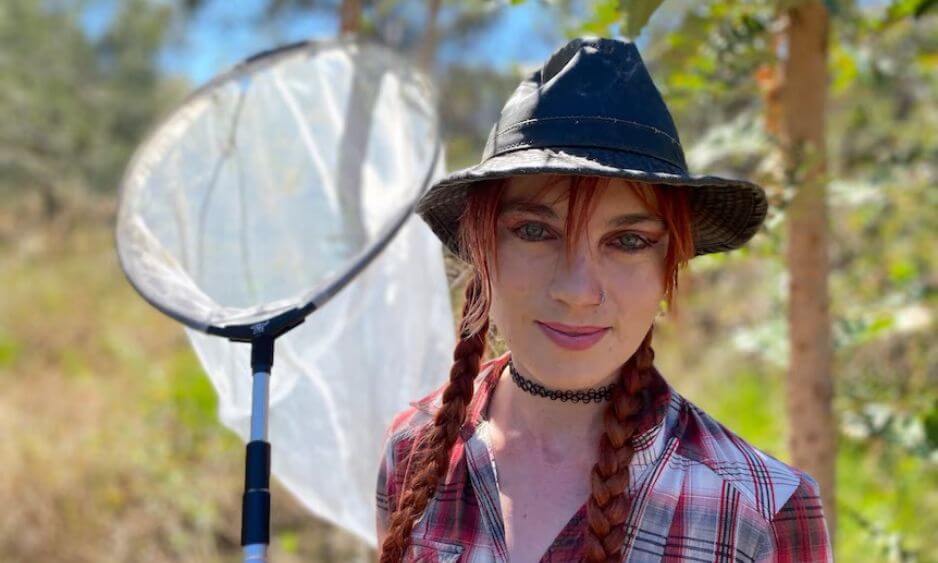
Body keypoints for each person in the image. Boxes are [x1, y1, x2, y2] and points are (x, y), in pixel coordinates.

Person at [375, 36, 833, 562]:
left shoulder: (761, 510)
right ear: (481, 249)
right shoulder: (413, 451)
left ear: (668, 269)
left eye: (628, 241)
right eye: (533, 231)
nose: (575, 290)